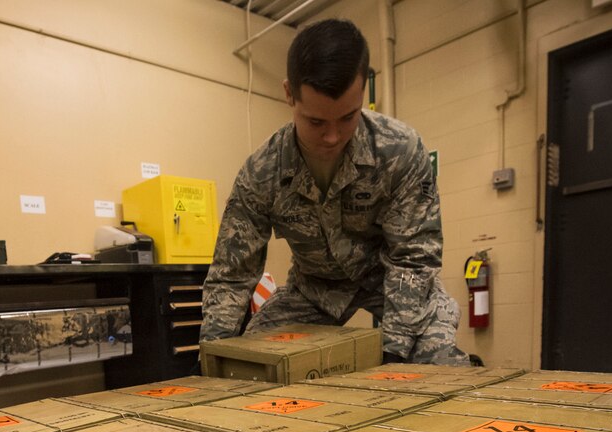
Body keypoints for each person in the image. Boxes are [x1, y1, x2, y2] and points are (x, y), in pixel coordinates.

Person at [200, 18, 470, 366]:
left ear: (363, 93)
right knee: (257, 363)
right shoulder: (261, 173)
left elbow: (413, 258)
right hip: (313, 289)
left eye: (347, 117)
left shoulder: (399, 150)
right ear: (288, 93)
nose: (332, 136)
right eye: (316, 122)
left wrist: (394, 351)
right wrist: (212, 355)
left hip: (393, 283)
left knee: (437, 363)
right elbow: (232, 274)